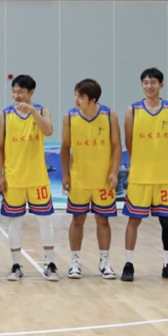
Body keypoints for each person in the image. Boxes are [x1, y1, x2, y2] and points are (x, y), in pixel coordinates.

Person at [122, 68, 168, 282]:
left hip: (164, 176)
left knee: (167, 221)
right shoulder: (132, 110)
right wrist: (141, 161)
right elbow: (129, 141)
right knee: (134, 220)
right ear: (142, 85)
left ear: (161, 85)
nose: (149, 86)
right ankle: (128, 264)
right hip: (140, 176)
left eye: (153, 82)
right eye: (145, 83)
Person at [0, 75, 56, 281]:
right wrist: (0, 175)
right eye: (13, 91)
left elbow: (48, 130)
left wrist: (32, 112)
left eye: (20, 92)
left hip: (37, 177)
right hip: (14, 178)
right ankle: (16, 264)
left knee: (45, 220)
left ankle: (50, 263)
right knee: (14, 221)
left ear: (31, 92)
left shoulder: (42, 111)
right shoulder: (4, 115)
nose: (16, 95)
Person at [62, 79, 121, 280]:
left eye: (81, 96)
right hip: (79, 178)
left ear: (93, 100)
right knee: (77, 220)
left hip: (103, 179)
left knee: (102, 220)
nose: (76, 99)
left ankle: (104, 262)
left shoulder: (109, 115)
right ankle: (74, 261)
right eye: (75, 95)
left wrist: (114, 172)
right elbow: (65, 147)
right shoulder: (70, 116)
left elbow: (116, 146)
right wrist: (65, 174)